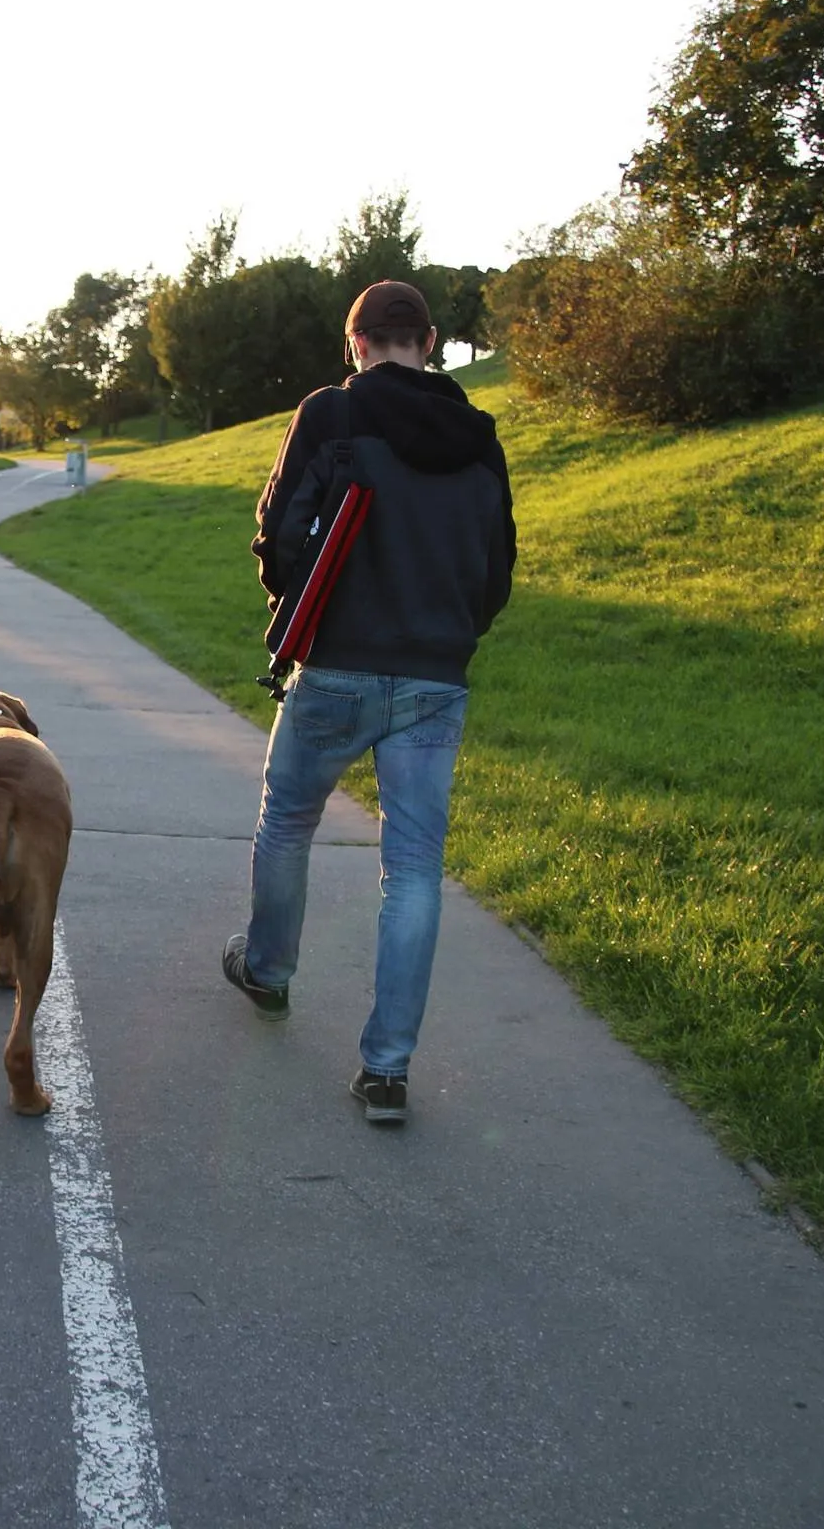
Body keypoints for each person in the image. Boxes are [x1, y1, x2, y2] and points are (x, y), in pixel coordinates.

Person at [222, 279, 516, 1124]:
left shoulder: (330, 414)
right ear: (429, 342)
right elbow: (497, 569)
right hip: (436, 678)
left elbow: (277, 534)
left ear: (355, 344)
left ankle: (269, 972)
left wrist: (300, 604)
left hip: (336, 665)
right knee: (414, 868)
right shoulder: (480, 435)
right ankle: (386, 1070)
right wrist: (449, 634)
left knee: (288, 821)